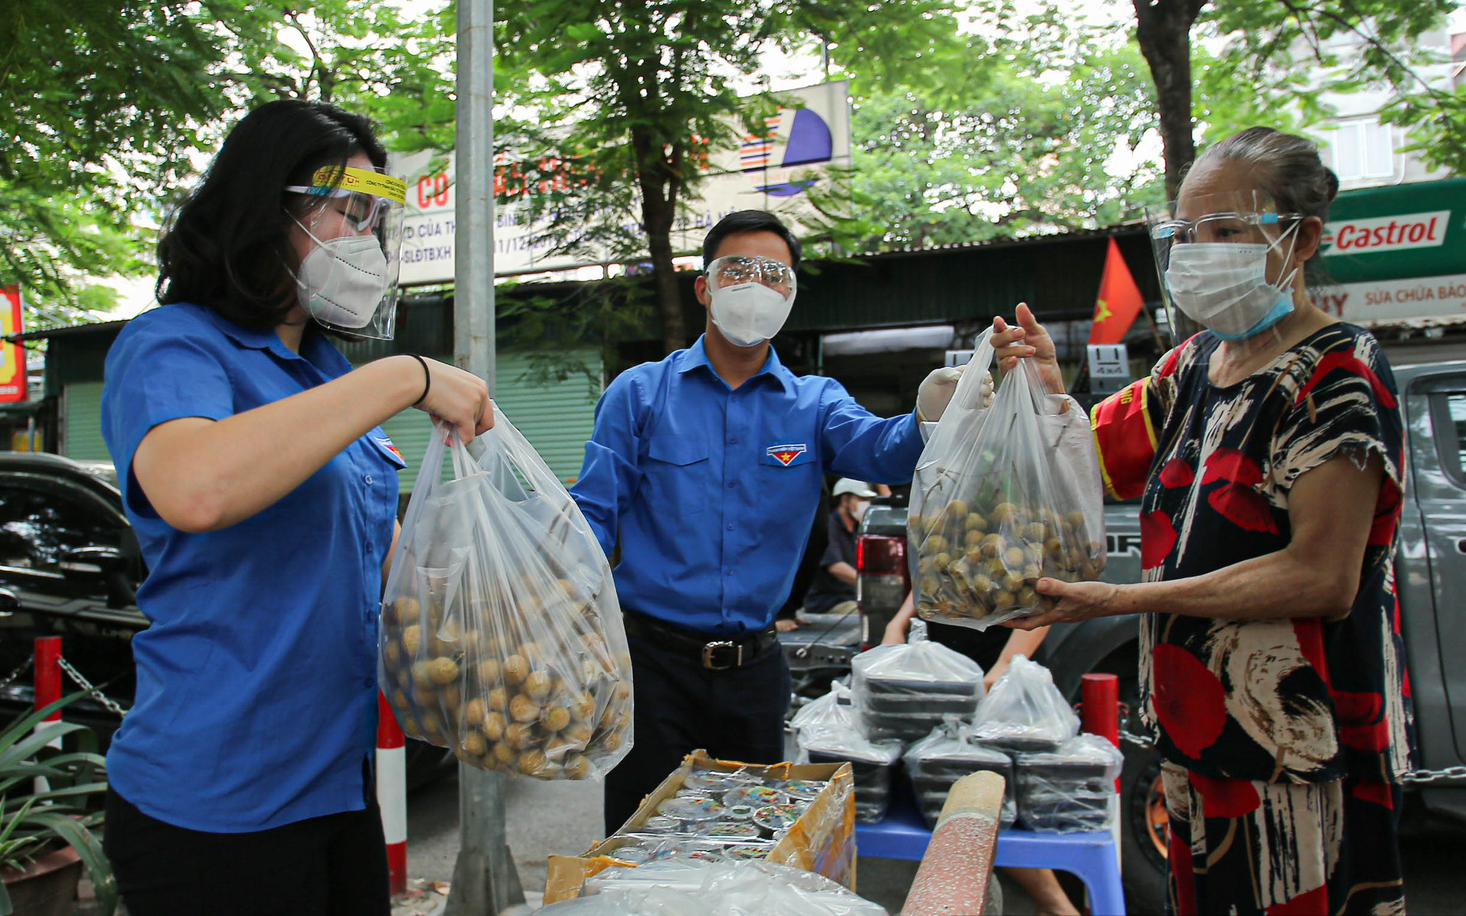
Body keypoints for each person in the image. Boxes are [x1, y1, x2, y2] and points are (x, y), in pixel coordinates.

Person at [993, 127, 1410, 914]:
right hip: (1194, 740)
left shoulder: (1335, 375)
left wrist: (1119, 600)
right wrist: (1048, 389)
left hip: (1297, 749)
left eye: (1227, 231)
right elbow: (1091, 462)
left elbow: (1320, 576)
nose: (1200, 250)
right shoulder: (1191, 366)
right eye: (1187, 233)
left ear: (1302, 239)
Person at [98, 99, 493, 916]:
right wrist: (402, 378)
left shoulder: (319, 376)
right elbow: (196, 488)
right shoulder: (175, 344)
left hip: (335, 786)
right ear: (264, 207)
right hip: (217, 802)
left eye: (376, 220)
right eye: (350, 210)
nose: (366, 239)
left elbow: (378, 574)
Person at [571, 209, 965, 832]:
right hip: (647, 671)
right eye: (737, 270)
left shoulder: (816, 403)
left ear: (790, 295)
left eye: (774, 274)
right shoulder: (640, 393)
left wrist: (943, 407)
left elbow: (881, 449)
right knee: (636, 850)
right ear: (704, 286)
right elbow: (591, 515)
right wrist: (538, 603)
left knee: (748, 855)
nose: (755, 286)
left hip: (755, 678)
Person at [881, 593, 1079, 916]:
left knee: (993, 801)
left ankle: (1056, 905)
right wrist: (897, 624)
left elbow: (1045, 593)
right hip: (947, 668)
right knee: (947, 795)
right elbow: (929, 573)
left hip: (1003, 670)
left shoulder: (1018, 544)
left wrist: (1006, 664)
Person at [800, 477, 878, 618]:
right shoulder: (830, 527)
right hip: (829, 603)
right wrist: (872, 586)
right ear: (844, 500)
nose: (866, 504)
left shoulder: (857, 530)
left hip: (851, 599)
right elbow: (836, 567)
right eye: (860, 499)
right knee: (874, 614)